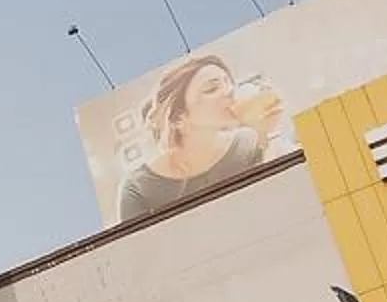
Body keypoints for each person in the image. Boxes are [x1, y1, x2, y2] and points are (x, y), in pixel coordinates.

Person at [114, 54, 285, 222]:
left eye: (229, 82)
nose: (230, 91)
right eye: (211, 89)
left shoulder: (249, 142)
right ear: (179, 118)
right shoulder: (139, 189)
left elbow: (275, 205)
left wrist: (266, 135)